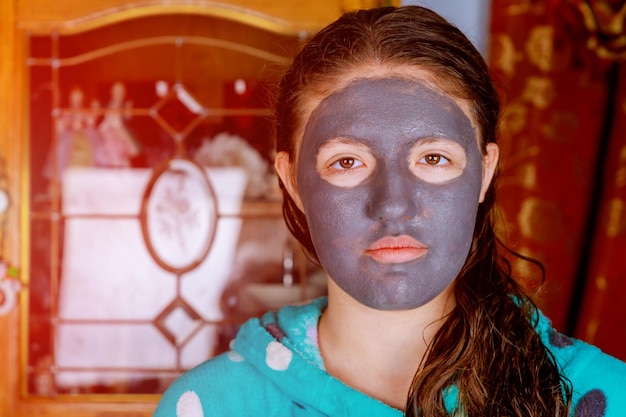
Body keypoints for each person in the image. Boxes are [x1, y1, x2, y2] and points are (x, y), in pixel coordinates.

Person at [153, 6, 626, 416]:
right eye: (347, 162)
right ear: (293, 181)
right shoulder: (213, 405)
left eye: (433, 158)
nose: (393, 205)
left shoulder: (604, 397)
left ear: (484, 172)